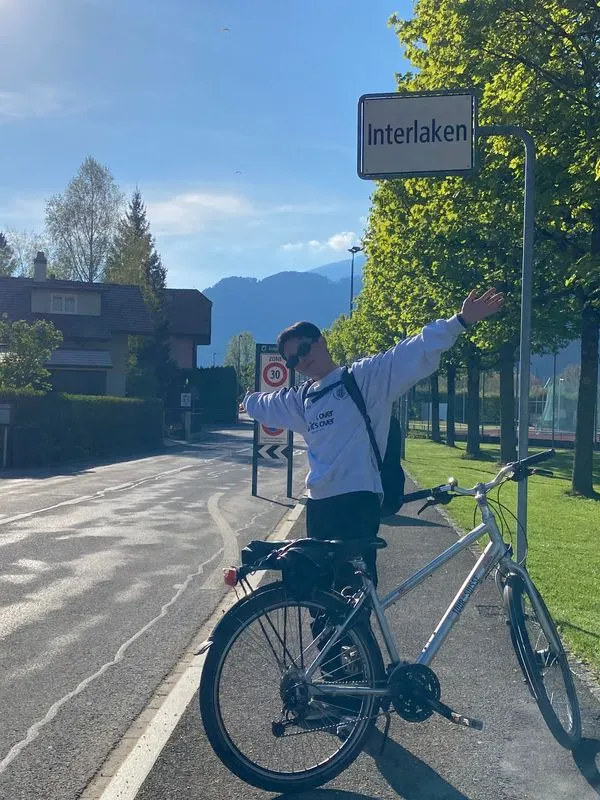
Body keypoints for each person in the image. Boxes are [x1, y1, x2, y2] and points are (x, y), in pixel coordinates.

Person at [244, 288, 504, 590]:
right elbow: (269, 403)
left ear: (321, 341)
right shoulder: (302, 399)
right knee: (318, 589)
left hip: (358, 500)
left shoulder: (365, 378)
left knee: (355, 589)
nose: (301, 361)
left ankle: (356, 622)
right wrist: (248, 401)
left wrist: (459, 321)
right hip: (319, 504)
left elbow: (411, 351)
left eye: (303, 350)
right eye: (292, 361)